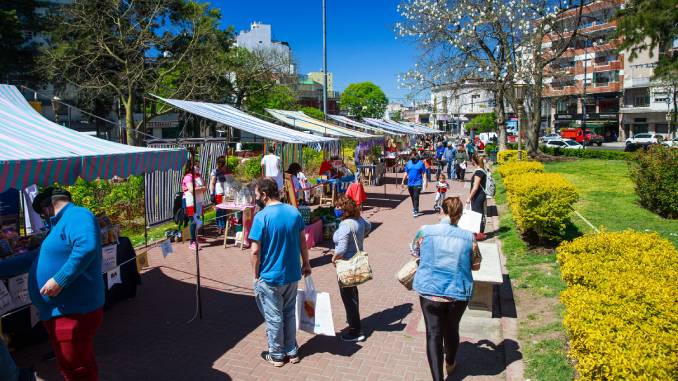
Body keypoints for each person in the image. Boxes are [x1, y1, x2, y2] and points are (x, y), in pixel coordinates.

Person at [0, 187, 105, 381]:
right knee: (73, 365)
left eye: (43, 212)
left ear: (49, 206)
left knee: (77, 369)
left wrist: (59, 280)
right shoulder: (59, 226)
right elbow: (32, 258)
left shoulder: (78, 214)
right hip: (63, 312)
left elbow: (86, 246)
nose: (44, 217)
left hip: (73, 311)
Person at [410, 197, 481, 381]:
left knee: (433, 334)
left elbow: (415, 252)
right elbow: (476, 265)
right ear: (459, 216)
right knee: (452, 329)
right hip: (457, 295)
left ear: (441, 211)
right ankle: (450, 362)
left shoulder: (425, 231)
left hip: (429, 292)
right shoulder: (469, 237)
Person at [249, 178, 312, 367]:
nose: (256, 197)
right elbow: (303, 241)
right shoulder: (294, 212)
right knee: (289, 313)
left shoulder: (261, 217)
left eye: (257, 194)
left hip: (270, 276)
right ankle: (292, 350)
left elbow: (254, 250)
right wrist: (306, 263)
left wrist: (255, 274)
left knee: (274, 316)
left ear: (264, 194)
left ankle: (277, 354)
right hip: (292, 274)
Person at [331, 196, 371, 342]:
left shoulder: (345, 225)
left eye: (338, 207)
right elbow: (369, 227)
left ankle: (356, 330)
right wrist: (361, 239)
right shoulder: (359, 220)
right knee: (353, 293)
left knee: (348, 297)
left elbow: (341, 248)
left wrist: (333, 258)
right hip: (356, 261)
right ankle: (353, 320)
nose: (336, 209)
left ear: (344, 209)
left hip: (346, 264)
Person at [182, 160, 206, 251]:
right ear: (191, 166)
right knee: (193, 221)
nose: (198, 167)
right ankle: (192, 242)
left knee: (198, 220)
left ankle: (196, 237)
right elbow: (192, 190)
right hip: (190, 202)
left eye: (198, 166)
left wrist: (200, 188)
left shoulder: (198, 176)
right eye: (196, 166)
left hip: (199, 200)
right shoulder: (188, 177)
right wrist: (201, 188)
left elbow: (205, 187)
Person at [467, 155, 488, 239]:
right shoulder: (482, 170)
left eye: (471, 160)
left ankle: (478, 234)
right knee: (480, 214)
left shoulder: (478, 172)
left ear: (474, 161)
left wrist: (469, 197)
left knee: (477, 214)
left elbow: (475, 187)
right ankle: (480, 233)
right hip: (481, 195)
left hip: (478, 196)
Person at [401, 150, 427, 217]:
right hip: (410, 183)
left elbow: (424, 173)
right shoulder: (408, 163)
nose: (412, 156)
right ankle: (416, 208)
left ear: (416, 156)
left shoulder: (420, 163)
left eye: (413, 155)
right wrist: (403, 181)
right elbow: (406, 172)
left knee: (416, 196)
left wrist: (425, 181)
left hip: (418, 183)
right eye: (411, 155)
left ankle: (415, 210)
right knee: (412, 197)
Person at [210, 156, 228, 235]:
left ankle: (224, 226)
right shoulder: (215, 171)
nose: (222, 164)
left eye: (223, 163)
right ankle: (220, 226)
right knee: (219, 210)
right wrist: (211, 193)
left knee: (225, 210)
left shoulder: (225, 170)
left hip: (226, 192)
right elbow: (212, 183)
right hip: (219, 193)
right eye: (221, 162)